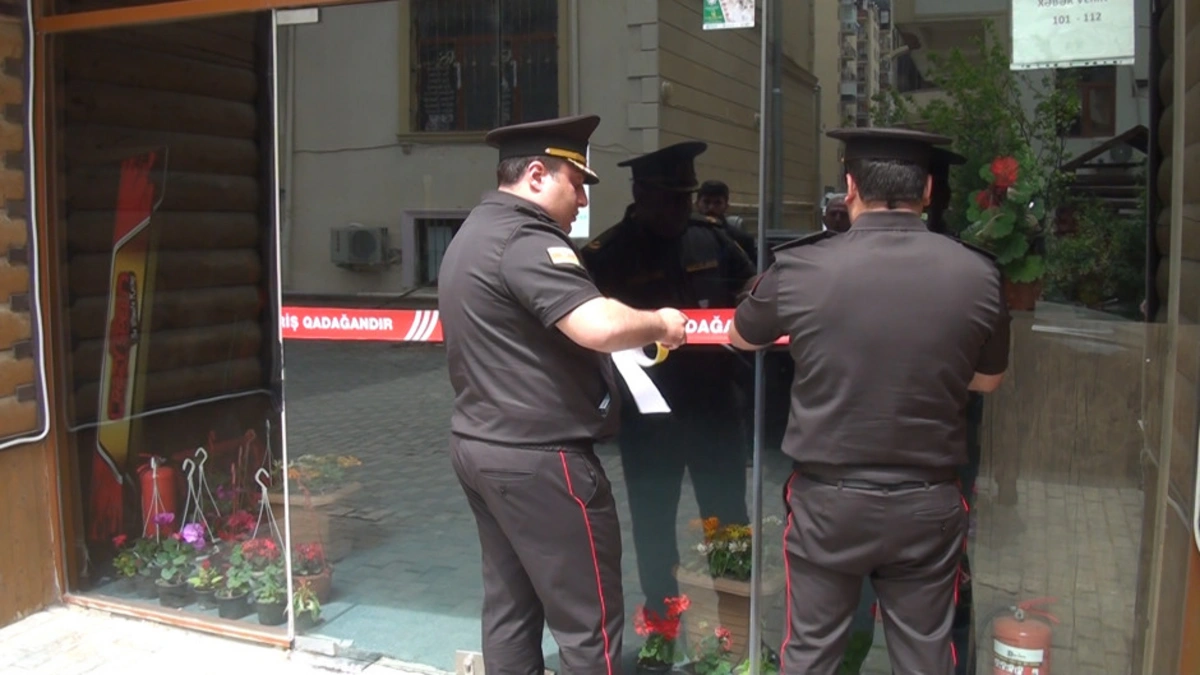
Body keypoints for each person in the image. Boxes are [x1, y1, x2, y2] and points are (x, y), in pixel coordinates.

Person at [728, 127, 1011, 675]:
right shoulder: (979, 273)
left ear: (850, 186)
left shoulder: (802, 267)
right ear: (927, 190)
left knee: (810, 655)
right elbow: (988, 380)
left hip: (828, 506)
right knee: (926, 656)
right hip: (927, 503)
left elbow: (742, 335)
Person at [437, 114, 689, 675]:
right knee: (589, 627)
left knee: (509, 610)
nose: (582, 198)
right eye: (575, 182)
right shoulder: (525, 239)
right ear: (535, 175)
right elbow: (595, 325)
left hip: (483, 444)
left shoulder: (474, 231)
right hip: (542, 462)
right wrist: (661, 323)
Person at [581, 141, 756, 617]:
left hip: (715, 411)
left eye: (685, 198)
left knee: (729, 522)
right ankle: (661, 626)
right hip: (649, 422)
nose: (679, 209)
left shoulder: (712, 240)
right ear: (640, 194)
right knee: (654, 526)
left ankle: (736, 627)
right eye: (668, 199)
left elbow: (753, 286)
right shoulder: (608, 255)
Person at [696, 179, 758, 262]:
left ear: (726, 206)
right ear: (697, 204)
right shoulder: (686, 236)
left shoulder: (742, 240)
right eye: (706, 202)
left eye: (717, 203)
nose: (711, 208)